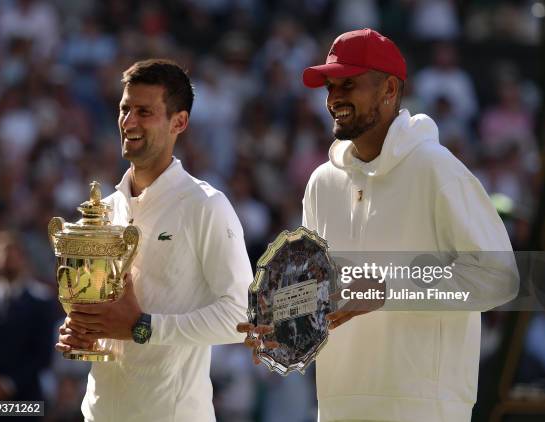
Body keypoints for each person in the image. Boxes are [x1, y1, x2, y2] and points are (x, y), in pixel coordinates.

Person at [239, 29, 518, 422]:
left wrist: (389, 288)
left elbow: (499, 277)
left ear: (389, 89)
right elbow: (320, 291)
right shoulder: (322, 183)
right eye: (330, 86)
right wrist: (279, 321)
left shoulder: (437, 169)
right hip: (338, 405)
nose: (334, 98)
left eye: (348, 84)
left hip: (424, 408)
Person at [56, 59, 253, 421]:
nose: (128, 122)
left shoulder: (206, 206)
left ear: (179, 122)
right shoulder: (108, 209)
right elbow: (112, 318)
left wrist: (142, 326)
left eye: (144, 112)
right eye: (124, 109)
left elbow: (242, 315)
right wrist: (84, 329)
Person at [0, 230, 57, 421]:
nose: (6, 257)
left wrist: (9, 384)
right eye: (0, 251)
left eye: (11, 251)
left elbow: (42, 355)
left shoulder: (40, 302)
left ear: (23, 257)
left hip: (25, 401)